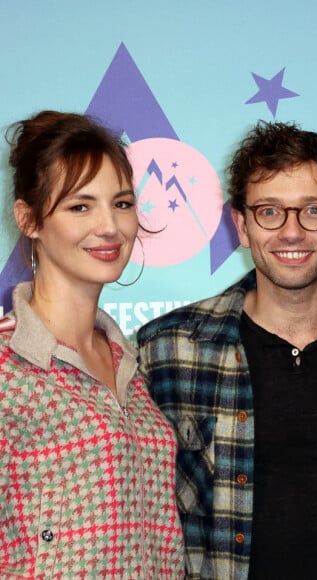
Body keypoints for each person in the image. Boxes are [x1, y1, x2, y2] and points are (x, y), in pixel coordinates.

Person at [137, 121, 317, 579]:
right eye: (269, 212)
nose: (292, 232)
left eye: (314, 211)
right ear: (241, 225)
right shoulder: (167, 350)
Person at [0, 110, 184, 578]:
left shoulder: (132, 366)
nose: (109, 227)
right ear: (30, 219)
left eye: (121, 204)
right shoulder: (6, 367)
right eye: (80, 206)